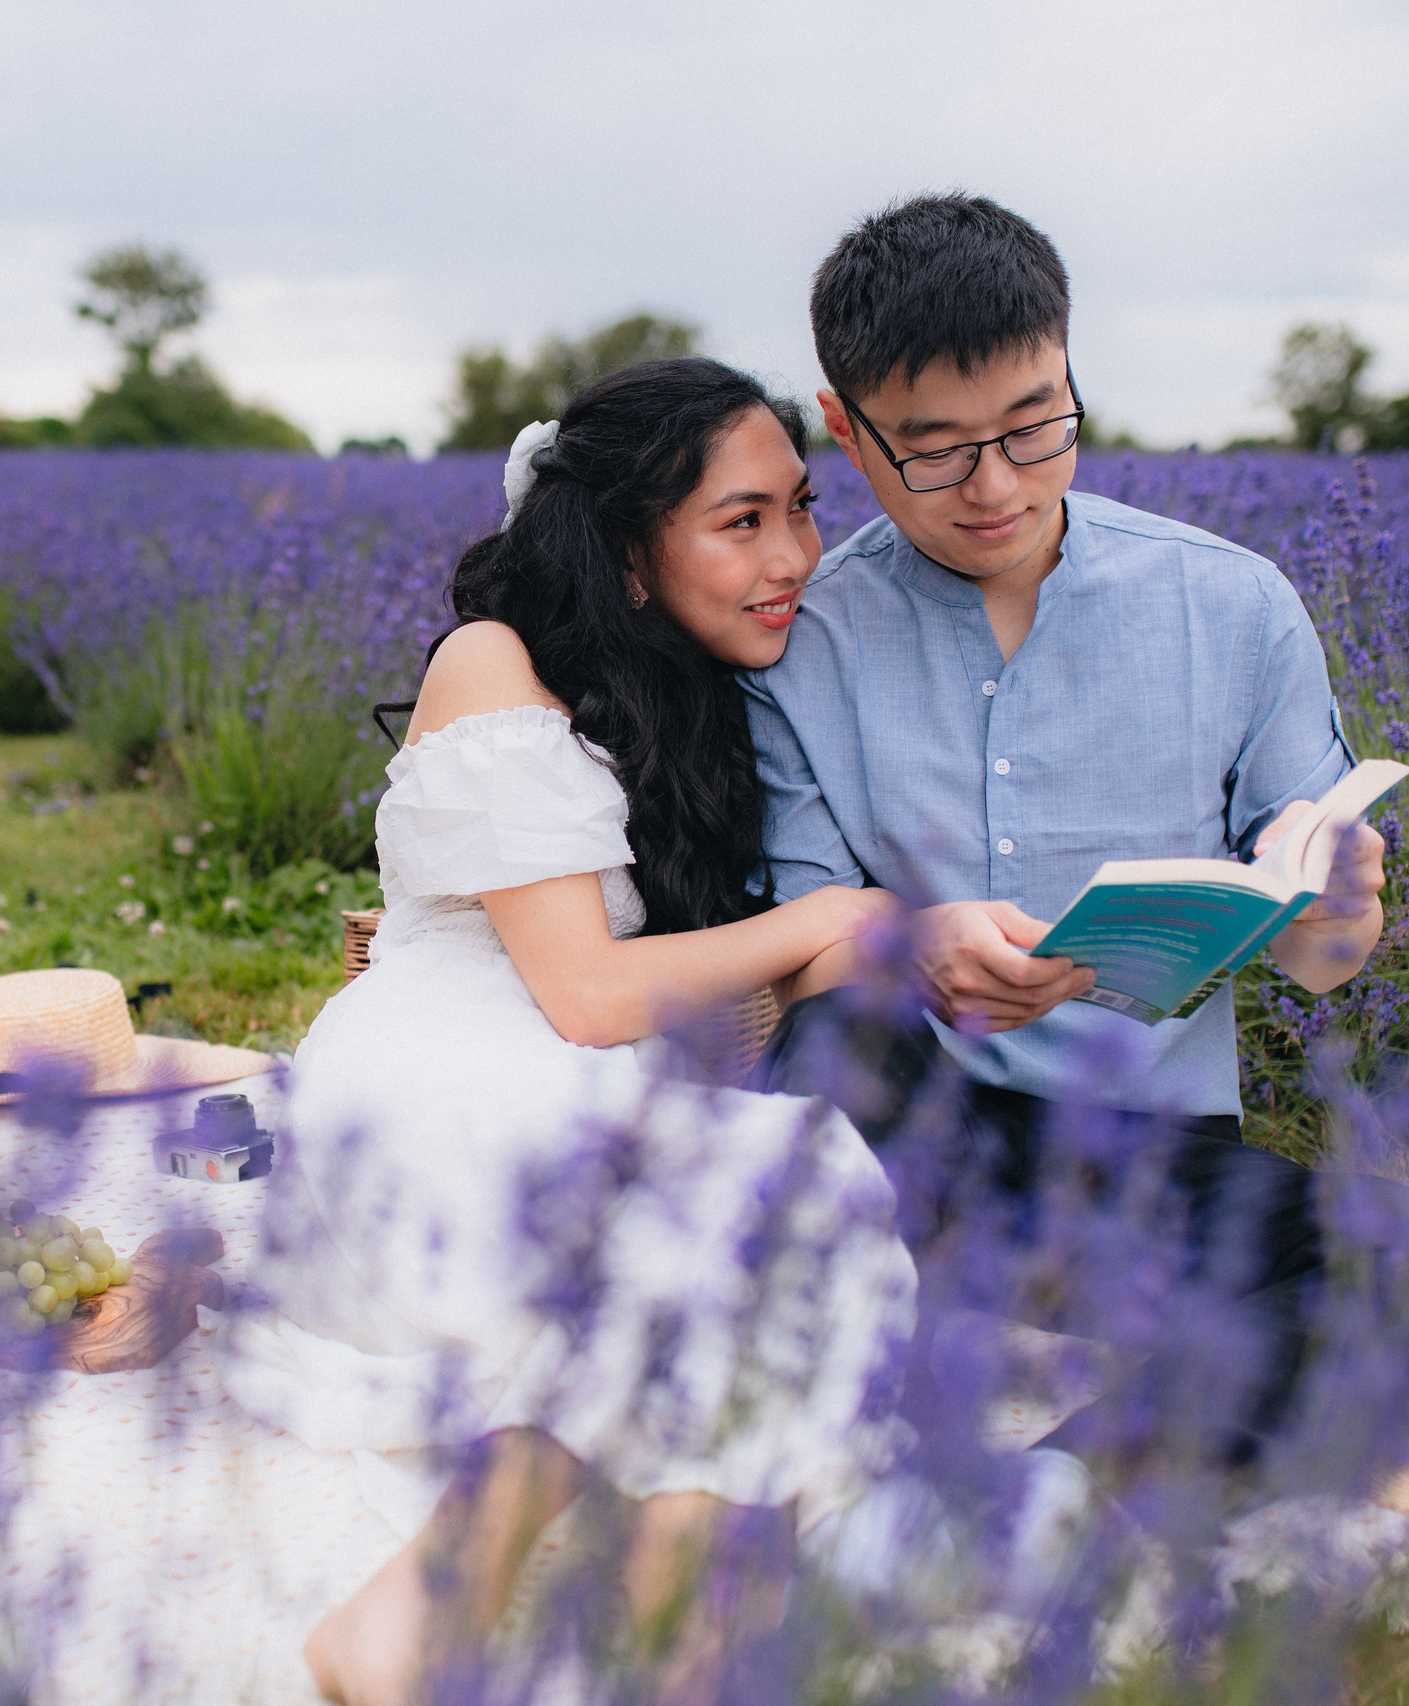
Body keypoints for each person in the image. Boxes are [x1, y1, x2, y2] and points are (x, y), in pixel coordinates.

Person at [747, 193, 1409, 1457]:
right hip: (913, 1138)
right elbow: (801, 938)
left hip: (1148, 1160)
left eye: (1035, 425)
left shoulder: (1232, 604)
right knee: (838, 1030)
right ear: (845, 428)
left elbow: (1316, 956)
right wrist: (916, 942)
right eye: (933, 447)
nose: (997, 486)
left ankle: (1064, 1486)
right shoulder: (796, 635)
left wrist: (1338, 913)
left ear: (1068, 370)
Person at [222, 359, 918, 1706]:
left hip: (560, 1079)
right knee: (763, 1194)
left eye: (801, 508)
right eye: (743, 519)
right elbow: (587, 989)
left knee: (736, 1211)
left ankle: (449, 1618)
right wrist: (830, 913)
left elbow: (669, 996)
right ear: (625, 547)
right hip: (434, 1077)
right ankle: (694, 1650)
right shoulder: (494, 661)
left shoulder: (692, 690)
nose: (794, 556)